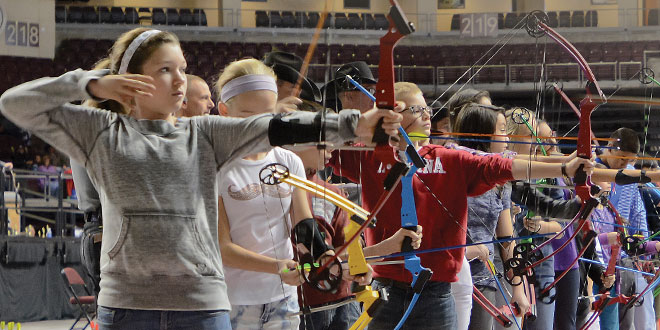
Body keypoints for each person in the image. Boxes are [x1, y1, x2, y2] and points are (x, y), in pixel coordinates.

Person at [0, 27, 403, 330]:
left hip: (202, 306)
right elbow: (14, 103)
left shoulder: (205, 133)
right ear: (131, 80)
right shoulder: (100, 132)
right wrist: (88, 81)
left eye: (183, 69)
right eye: (165, 70)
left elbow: (275, 126)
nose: (180, 80)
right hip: (125, 305)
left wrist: (356, 124)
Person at [329, 81, 594, 329]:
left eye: (427, 108)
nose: (426, 114)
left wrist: (564, 167)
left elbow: (499, 166)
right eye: (416, 109)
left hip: (436, 293)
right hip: (385, 290)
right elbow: (320, 146)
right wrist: (367, 124)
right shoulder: (369, 157)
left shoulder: (449, 159)